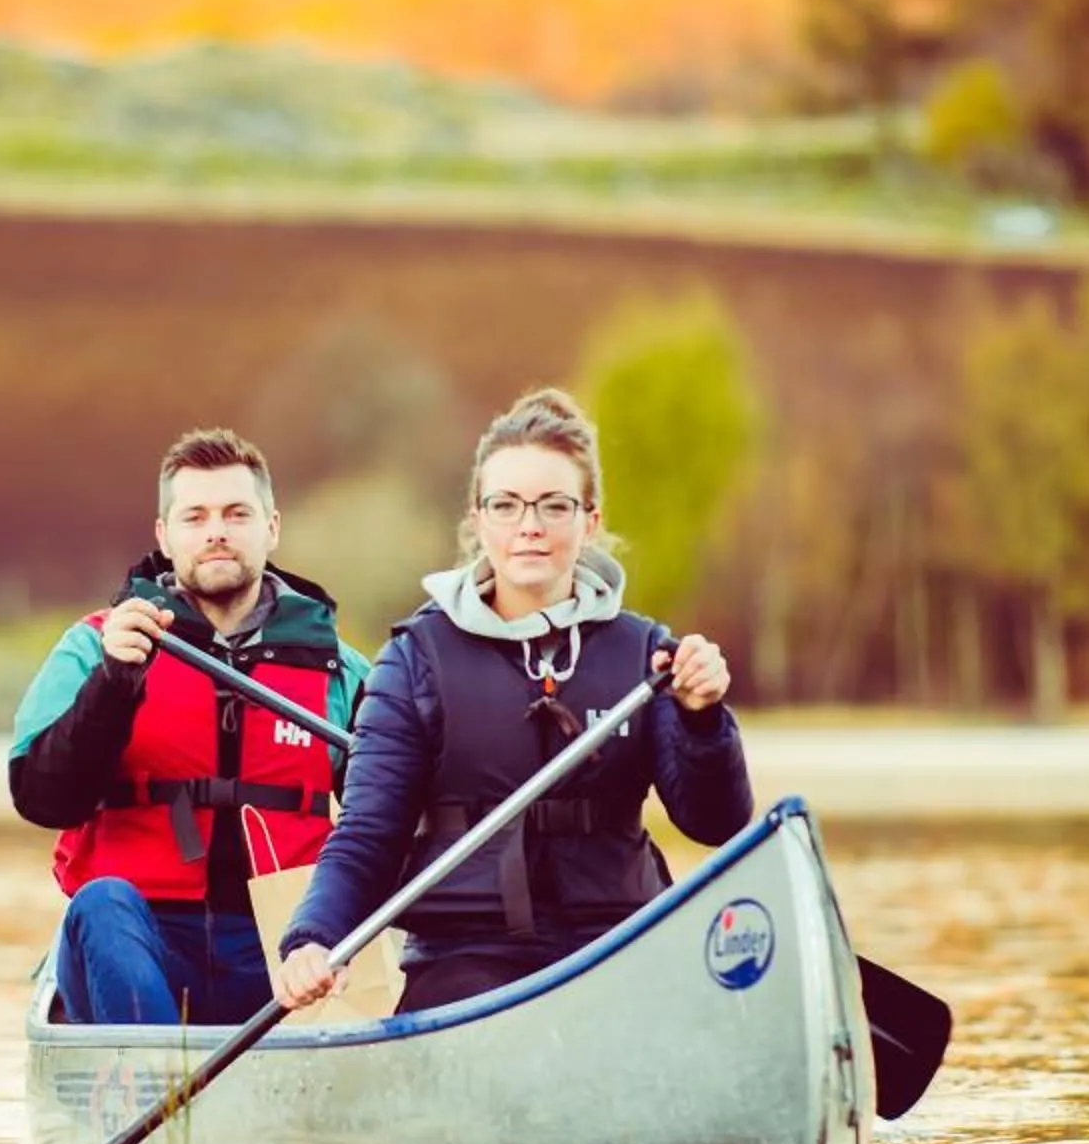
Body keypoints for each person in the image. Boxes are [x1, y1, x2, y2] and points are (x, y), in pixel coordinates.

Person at [274, 390, 749, 1017]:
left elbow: (717, 824)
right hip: (465, 953)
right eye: (506, 505)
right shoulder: (414, 661)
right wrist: (312, 938)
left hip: (620, 939)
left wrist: (702, 718)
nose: (530, 526)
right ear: (478, 519)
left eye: (555, 505)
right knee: (465, 995)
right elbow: (367, 836)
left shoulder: (648, 657)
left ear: (590, 520)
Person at [12, 427, 374, 1026]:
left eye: (237, 514)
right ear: (164, 535)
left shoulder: (341, 671)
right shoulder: (95, 646)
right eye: (195, 517)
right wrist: (112, 684)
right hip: (141, 941)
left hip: (286, 951)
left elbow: (391, 820)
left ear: (271, 528)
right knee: (101, 902)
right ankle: (157, 1074)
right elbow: (42, 798)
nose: (216, 532)